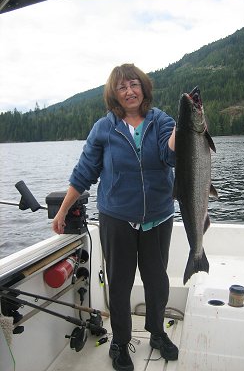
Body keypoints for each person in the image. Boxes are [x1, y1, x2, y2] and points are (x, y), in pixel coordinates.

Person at [52, 63, 178, 371]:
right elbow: (85, 172)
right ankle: (120, 341)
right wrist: (63, 208)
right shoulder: (103, 128)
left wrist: (183, 131)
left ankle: (157, 331)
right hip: (116, 218)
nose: (129, 91)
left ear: (143, 88)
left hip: (158, 216)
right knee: (119, 283)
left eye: (134, 84)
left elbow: (170, 156)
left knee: (157, 280)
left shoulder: (162, 119)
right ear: (115, 94)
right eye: (122, 87)